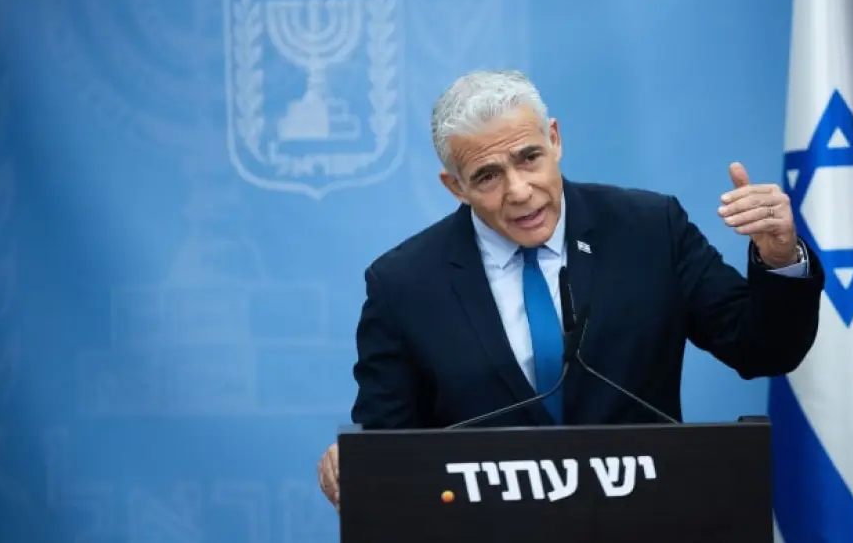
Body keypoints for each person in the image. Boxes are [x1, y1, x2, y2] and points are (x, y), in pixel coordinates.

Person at [317, 69, 825, 510]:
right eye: (488, 176)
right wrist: (359, 462)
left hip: (644, 525)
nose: (519, 191)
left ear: (555, 140)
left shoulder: (650, 230)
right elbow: (387, 439)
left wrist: (780, 257)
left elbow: (764, 349)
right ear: (455, 187)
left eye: (529, 158)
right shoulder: (404, 284)